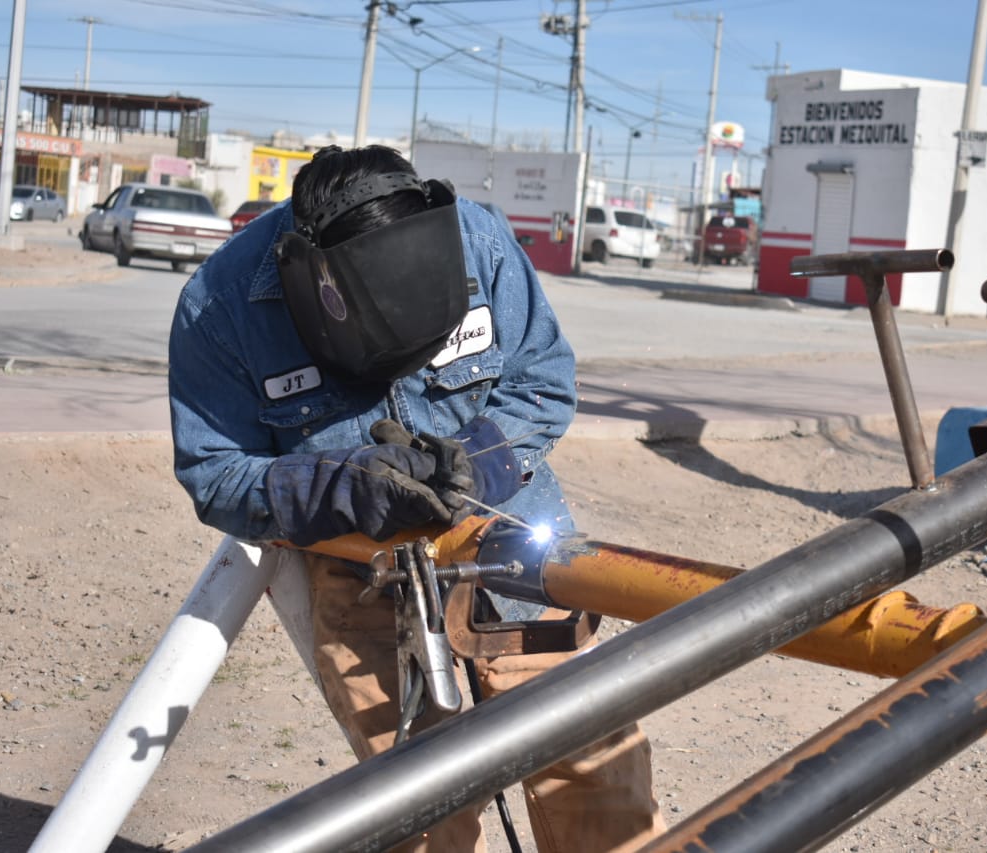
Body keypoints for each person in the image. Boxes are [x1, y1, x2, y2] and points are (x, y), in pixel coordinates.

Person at [167, 144, 665, 852]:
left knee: (595, 775)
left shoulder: (479, 239)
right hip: (366, 577)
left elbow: (544, 381)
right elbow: (216, 473)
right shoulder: (221, 308)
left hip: (516, 547)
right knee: (423, 812)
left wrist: (480, 465)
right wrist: (347, 487)